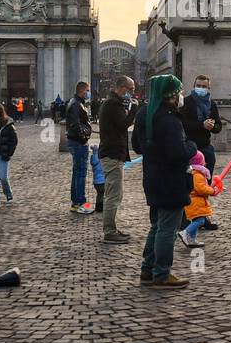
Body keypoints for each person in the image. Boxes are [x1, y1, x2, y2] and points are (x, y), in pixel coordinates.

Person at [131, 74, 196, 289]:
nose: (180, 95)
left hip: (152, 176)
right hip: (171, 180)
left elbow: (138, 146)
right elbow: (178, 154)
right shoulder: (169, 119)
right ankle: (162, 273)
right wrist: (192, 147)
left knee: (157, 225)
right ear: (170, 94)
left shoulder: (144, 114)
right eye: (178, 91)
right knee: (168, 229)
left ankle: (147, 269)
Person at [97, 76, 136, 244]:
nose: (132, 93)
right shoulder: (113, 104)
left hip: (113, 153)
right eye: (130, 89)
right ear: (121, 87)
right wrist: (134, 109)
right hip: (112, 154)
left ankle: (112, 228)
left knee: (114, 193)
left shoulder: (113, 103)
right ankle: (109, 232)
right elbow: (123, 125)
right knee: (113, 195)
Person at [179, 74, 223, 174]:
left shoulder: (212, 104)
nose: (201, 88)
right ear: (194, 86)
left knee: (207, 177)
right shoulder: (186, 102)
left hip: (206, 146)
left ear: (208, 88)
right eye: (198, 86)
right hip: (190, 146)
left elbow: (218, 126)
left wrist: (212, 127)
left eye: (204, 86)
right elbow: (182, 124)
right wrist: (202, 125)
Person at [178, 149, 216, 249]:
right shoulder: (197, 174)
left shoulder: (194, 173)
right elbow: (201, 189)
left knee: (196, 220)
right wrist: (212, 191)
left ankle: (192, 239)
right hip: (196, 202)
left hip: (195, 201)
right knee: (200, 221)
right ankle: (185, 233)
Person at [66, 80, 93, 212]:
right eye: (87, 90)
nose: (88, 93)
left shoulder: (75, 102)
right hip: (78, 142)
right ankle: (82, 204)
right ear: (82, 91)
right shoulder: (77, 104)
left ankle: (75, 203)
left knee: (77, 172)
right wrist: (83, 139)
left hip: (75, 141)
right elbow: (75, 124)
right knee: (81, 173)